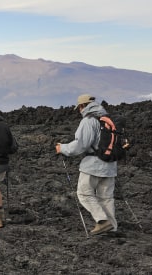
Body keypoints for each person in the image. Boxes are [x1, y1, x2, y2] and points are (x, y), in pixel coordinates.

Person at [56, 94, 117, 235]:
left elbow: (80, 145)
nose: (79, 111)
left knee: (84, 193)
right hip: (110, 164)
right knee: (106, 198)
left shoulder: (89, 121)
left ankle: (102, 221)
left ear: (83, 106)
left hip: (93, 165)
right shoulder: (107, 119)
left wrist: (62, 148)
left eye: (79, 108)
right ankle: (112, 228)